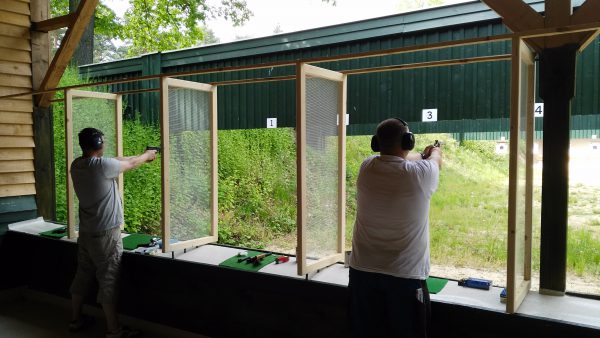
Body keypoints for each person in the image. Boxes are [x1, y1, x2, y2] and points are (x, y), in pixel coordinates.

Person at [348, 118, 442, 338]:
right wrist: (435, 151)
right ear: (408, 141)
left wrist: (420, 155)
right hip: (405, 276)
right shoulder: (422, 174)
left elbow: (395, 157)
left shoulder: (366, 166)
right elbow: (435, 161)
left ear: (376, 143)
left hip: (362, 272)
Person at [69, 127, 157, 338]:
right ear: (98, 144)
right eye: (103, 142)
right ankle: (113, 330)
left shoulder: (77, 164)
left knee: (82, 275)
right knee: (108, 278)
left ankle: (75, 320)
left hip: (87, 233)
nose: (105, 145)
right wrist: (147, 156)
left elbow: (117, 159)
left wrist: (142, 154)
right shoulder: (101, 166)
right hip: (106, 234)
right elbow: (130, 164)